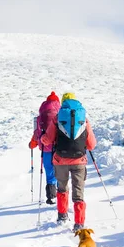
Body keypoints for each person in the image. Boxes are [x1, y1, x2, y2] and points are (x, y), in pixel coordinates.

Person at [41, 92, 97, 231]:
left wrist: (42, 138)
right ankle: (79, 223)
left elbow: (47, 139)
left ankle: (62, 215)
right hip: (79, 161)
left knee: (62, 188)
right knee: (78, 193)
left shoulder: (57, 118)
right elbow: (91, 145)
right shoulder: (83, 119)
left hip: (60, 160)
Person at [29, 91, 61, 204]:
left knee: (49, 171)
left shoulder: (40, 116)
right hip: (58, 148)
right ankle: (60, 194)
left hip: (45, 148)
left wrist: (33, 142)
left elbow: (37, 132)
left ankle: (51, 196)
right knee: (60, 171)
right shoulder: (60, 113)